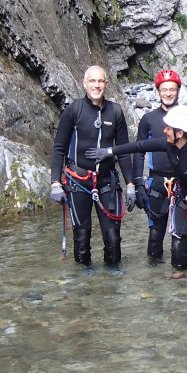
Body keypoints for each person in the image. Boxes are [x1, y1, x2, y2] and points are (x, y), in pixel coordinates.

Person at [87, 105, 187, 289]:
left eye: (168, 128)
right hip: (186, 197)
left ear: (180, 133)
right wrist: (109, 151)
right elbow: (140, 146)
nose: (164, 130)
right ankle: (181, 270)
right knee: (178, 242)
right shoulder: (169, 144)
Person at [50, 65, 134, 267]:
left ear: (106, 84)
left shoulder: (115, 111)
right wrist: (55, 183)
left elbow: (122, 150)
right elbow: (59, 148)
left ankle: (112, 286)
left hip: (106, 180)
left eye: (100, 81)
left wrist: (130, 184)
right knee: (81, 237)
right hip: (78, 181)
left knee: (113, 237)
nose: (96, 85)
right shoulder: (74, 110)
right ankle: (84, 287)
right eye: (92, 81)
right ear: (85, 84)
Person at [131, 69, 182, 263]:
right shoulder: (149, 119)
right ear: (158, 91)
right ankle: (153, 285)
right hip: (156, 182)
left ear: (178, 90)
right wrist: (138, 186)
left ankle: (179, 277)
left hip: (180, 182)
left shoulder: (186, 116)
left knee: (180, 236)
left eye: (172, 89)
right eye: (164, 89)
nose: (168, 93)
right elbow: (139, 151)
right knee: (155, 236)